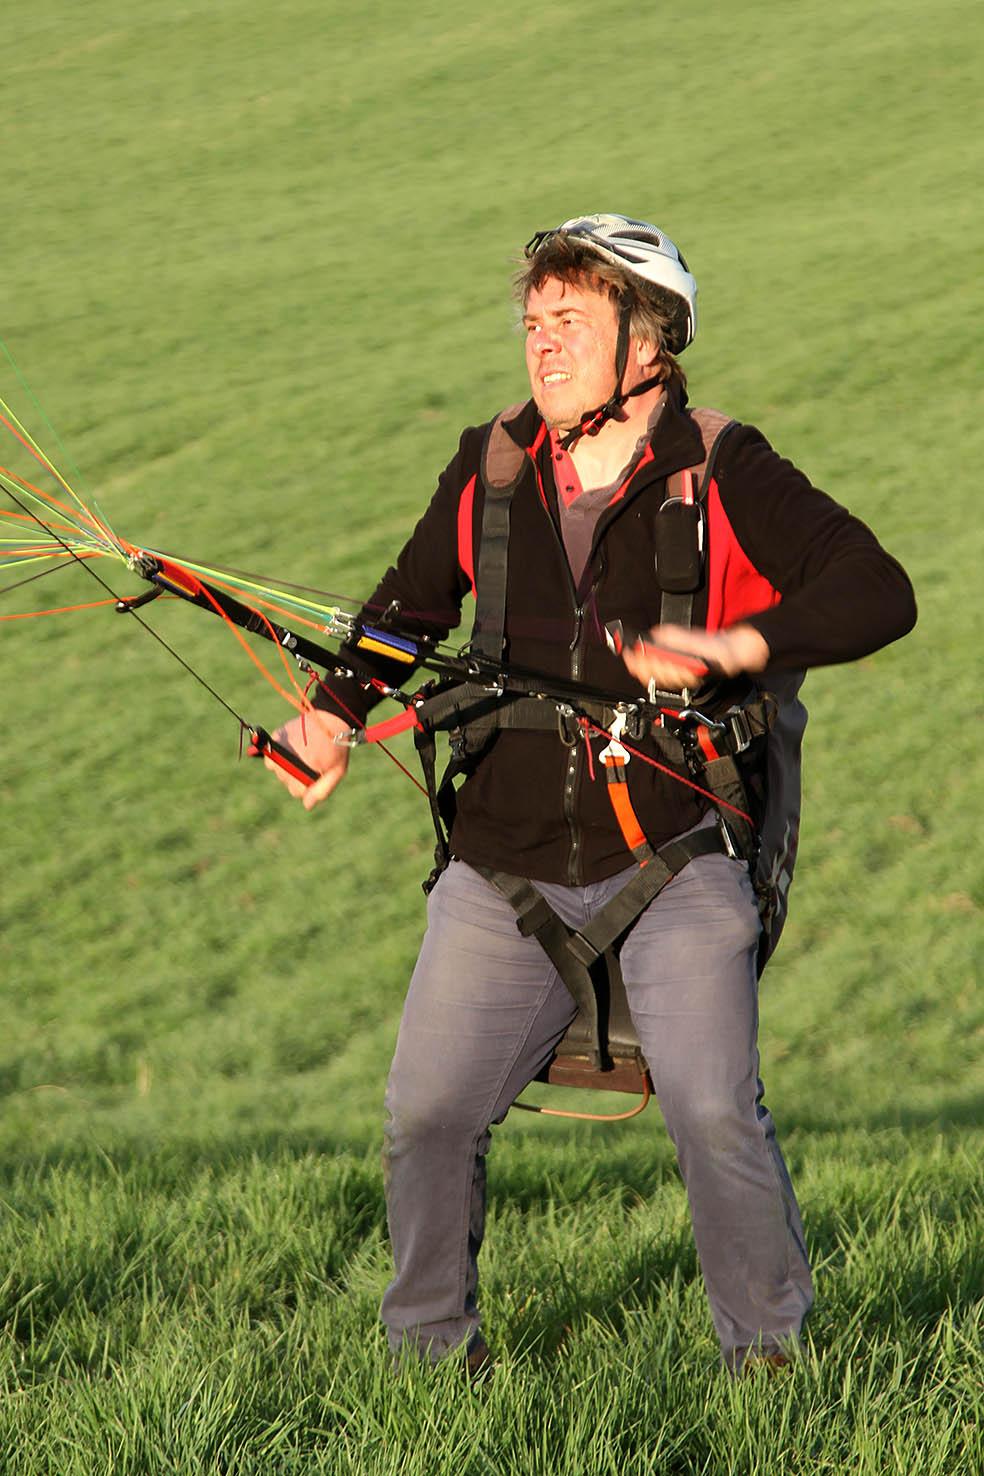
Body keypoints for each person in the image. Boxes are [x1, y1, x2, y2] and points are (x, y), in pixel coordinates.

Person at [265, 215, 916, 1374]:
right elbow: (408, 610)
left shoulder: (723, 468)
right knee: (428, 1110)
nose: (542, 342)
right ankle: (428, 1361)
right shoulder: (492, 464)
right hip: (501, 862)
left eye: (570, 319)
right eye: (532, 321)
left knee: (712, 1109)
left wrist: (736, 647)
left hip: (677, 853)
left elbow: (877, 589)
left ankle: (769, 1360)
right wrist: (332, 714)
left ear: (647, 341)